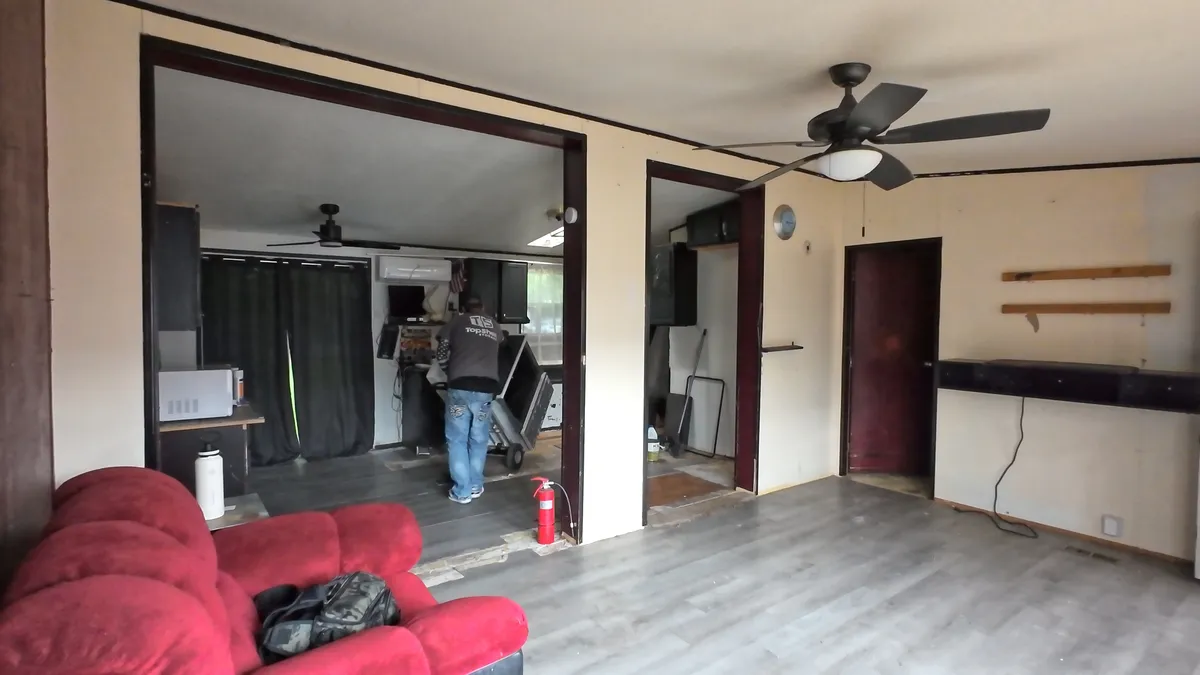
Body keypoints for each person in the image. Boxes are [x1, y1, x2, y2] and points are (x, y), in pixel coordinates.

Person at [436, 296, 503, 503]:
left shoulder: (456, 321)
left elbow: (441, 354)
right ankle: (475, 486)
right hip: (486, 388)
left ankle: (462, 492)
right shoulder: (494, 325)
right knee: (479, 439)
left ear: (464, 309)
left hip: (460, 386)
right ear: (482, 307)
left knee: (457, 439)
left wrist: (451, 373)